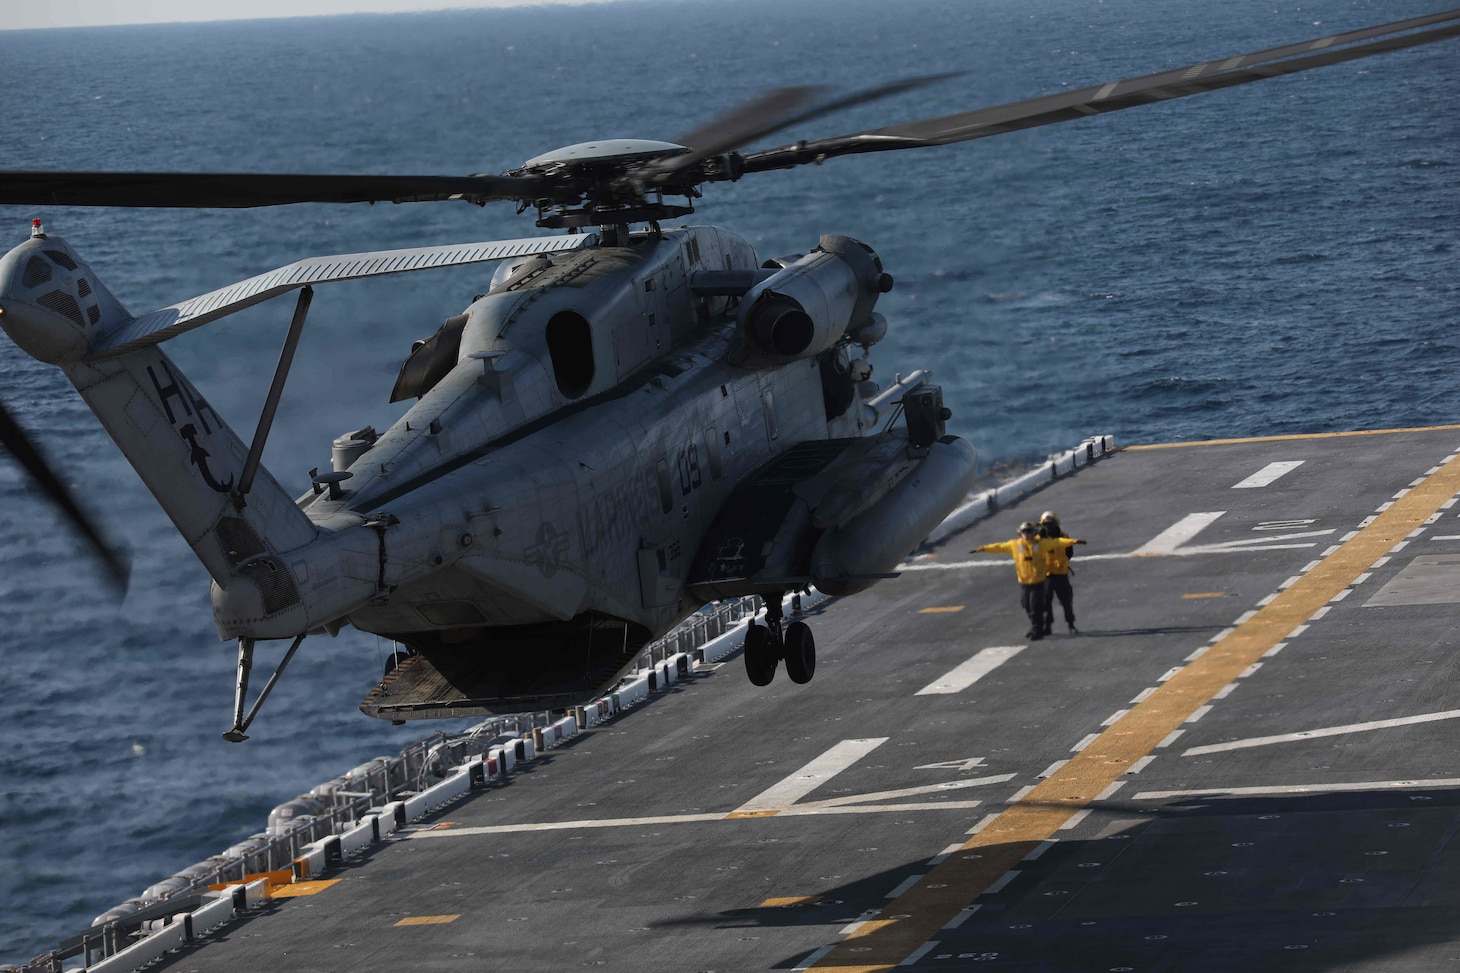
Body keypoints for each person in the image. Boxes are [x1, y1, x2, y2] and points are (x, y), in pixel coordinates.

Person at [972, 521, 1084, 640]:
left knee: (1036, 606)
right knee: (1026, 605)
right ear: (1020, 533)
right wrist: (984, 548)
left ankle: (1037, 630)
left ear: (1033, 532)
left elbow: (1057, 542)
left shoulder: (1041, 544)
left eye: (1029, 531)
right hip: (1024, 583)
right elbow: (999, 547)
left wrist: (1072, 541)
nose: (1027, 534)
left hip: (1038, 582)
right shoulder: (1015, 545)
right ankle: (1035, 626)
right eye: (1024, 532)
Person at [1039, 510, 1078, 635]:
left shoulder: (1065, 536)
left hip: (1061, 574)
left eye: (1051, 523)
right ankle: (1047, 625)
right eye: (1046, 524)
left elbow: (1069, 553)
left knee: (1066, 600)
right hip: (1046, 575)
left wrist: (1061, 563)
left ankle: (1070, 623)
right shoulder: (1038, 539)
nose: (1049, 526)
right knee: (1045, 602)